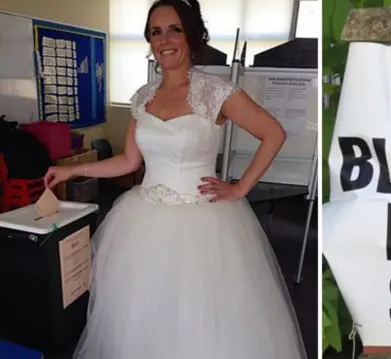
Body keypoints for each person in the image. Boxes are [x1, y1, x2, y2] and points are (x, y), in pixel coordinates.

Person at [44, 0, 307, 358]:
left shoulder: (216, 92)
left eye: (174, 29)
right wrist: (72, 169)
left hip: (203, 223)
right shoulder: (143, 97)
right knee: (142, 313)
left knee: (200, 315)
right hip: (144, 220)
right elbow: (128, 161)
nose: (164, 39)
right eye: (156, 31)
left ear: (192, 36)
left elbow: (273, 133)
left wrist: (240, 186)